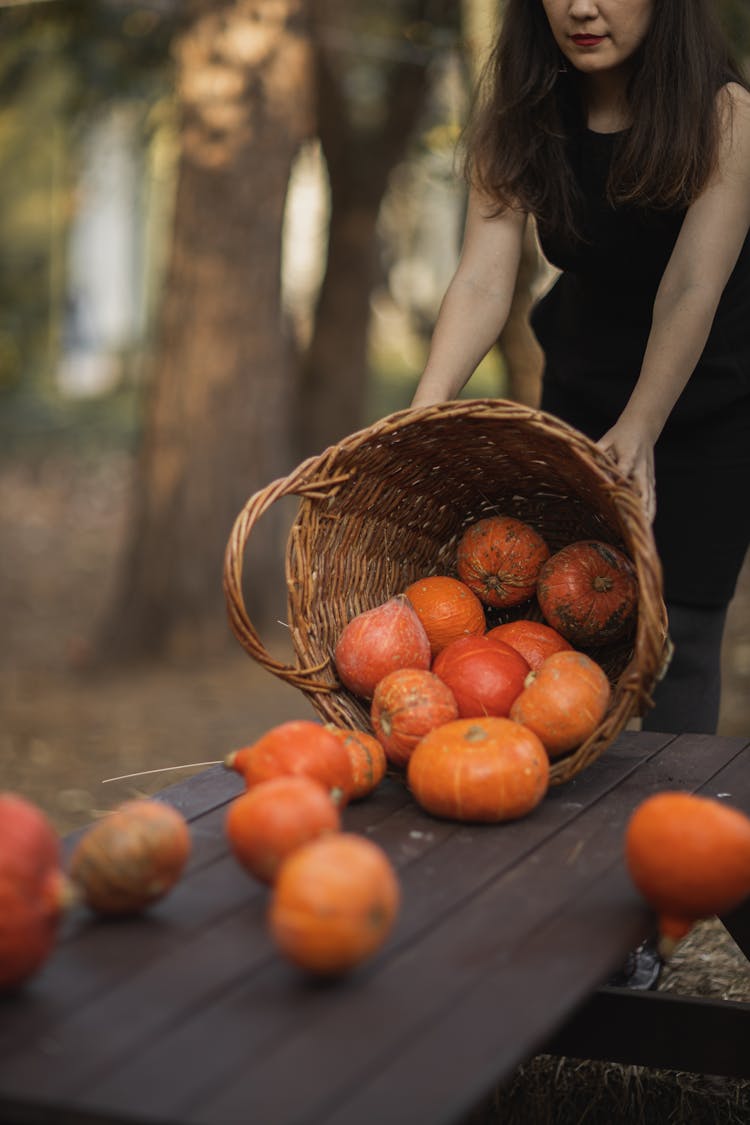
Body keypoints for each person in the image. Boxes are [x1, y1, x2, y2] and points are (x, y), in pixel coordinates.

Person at [410, 0, 750, 737]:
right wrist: (424, 411)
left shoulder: (726, 115)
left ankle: (669, 825)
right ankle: (558, 817)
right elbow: (481, 280)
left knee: (681, 637)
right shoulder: (523, 112)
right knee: (563, 624)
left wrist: (642, 422)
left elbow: (693, 283)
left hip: (709, 403)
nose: (581, 7)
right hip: (581, 383)